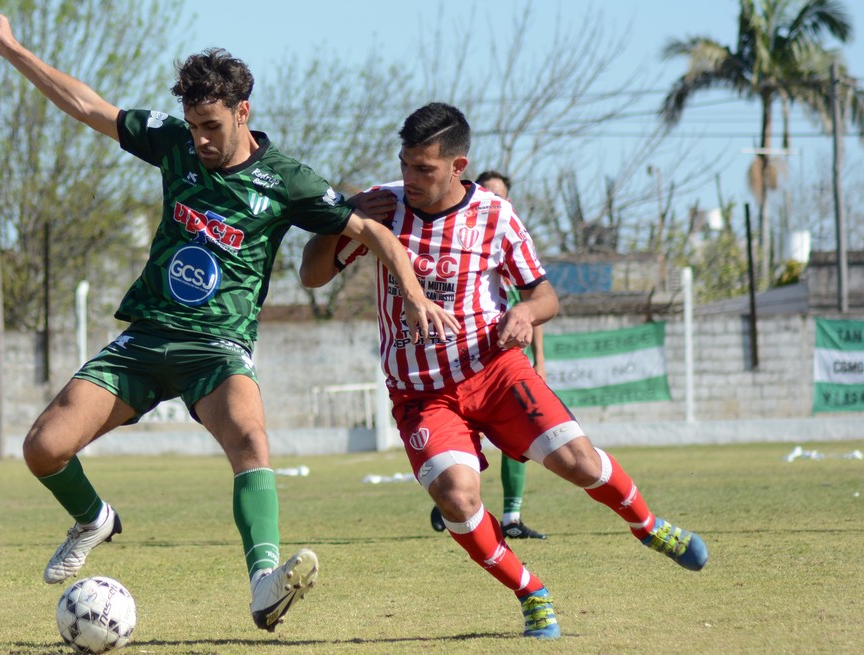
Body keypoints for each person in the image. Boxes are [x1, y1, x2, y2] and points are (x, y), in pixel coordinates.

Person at [0, 8, 458, 632]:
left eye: (212, 125)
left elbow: (371, 232)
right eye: (194, 124)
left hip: (219, 351)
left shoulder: (286, 180)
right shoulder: (174, 144)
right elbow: (86, 105)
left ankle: (263, 584)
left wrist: (414, 295)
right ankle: (94, 517)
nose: (200, 138)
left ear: (243, 112)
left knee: (252, 444)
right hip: (145, 341)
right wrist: (13, 49)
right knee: (42, 449)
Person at [300, 103, 707, 639]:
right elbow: (312, 275)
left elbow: (545, 296)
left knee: (578, 462)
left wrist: (524, 312)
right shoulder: (381, 207)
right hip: (422, 394)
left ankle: (649, 527)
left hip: (494, 372)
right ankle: (531, 592)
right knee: (456, 498)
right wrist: (343, 216)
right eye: (405, 164)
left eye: (424, 169)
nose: (409, 179)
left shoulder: (494, 215)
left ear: (457, 165)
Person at [427, 170, 546, 540]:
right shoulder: (462, 242)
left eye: (504, 196)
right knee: (465, 437)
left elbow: (532, 301)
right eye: (491, 193)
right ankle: (452, 495)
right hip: (461, 362)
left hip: (505, 360)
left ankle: (510, 517)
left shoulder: (507, 239)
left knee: (522, 433)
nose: (499, 200)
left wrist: (539, 360)